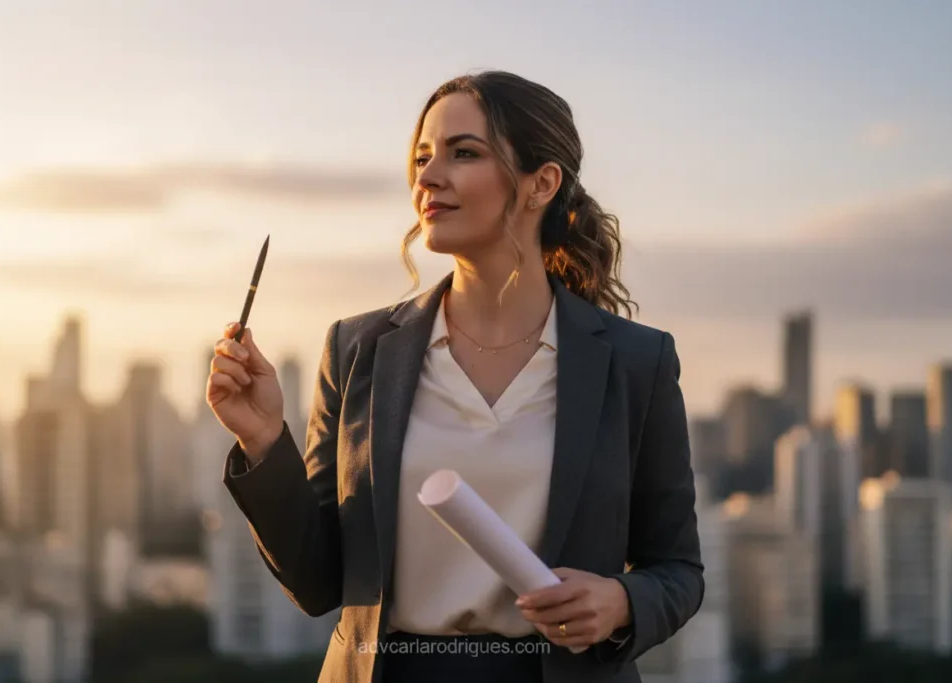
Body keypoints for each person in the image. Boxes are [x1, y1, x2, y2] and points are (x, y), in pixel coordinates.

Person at [207, 70, 703, 683]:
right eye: (421, 158)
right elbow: (317, 583)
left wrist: (623, 602)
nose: (427, 177)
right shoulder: (358, 349)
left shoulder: (636, 362)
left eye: (463, 153)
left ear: (541, 183)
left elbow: (678, 570)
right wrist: (262, 440)